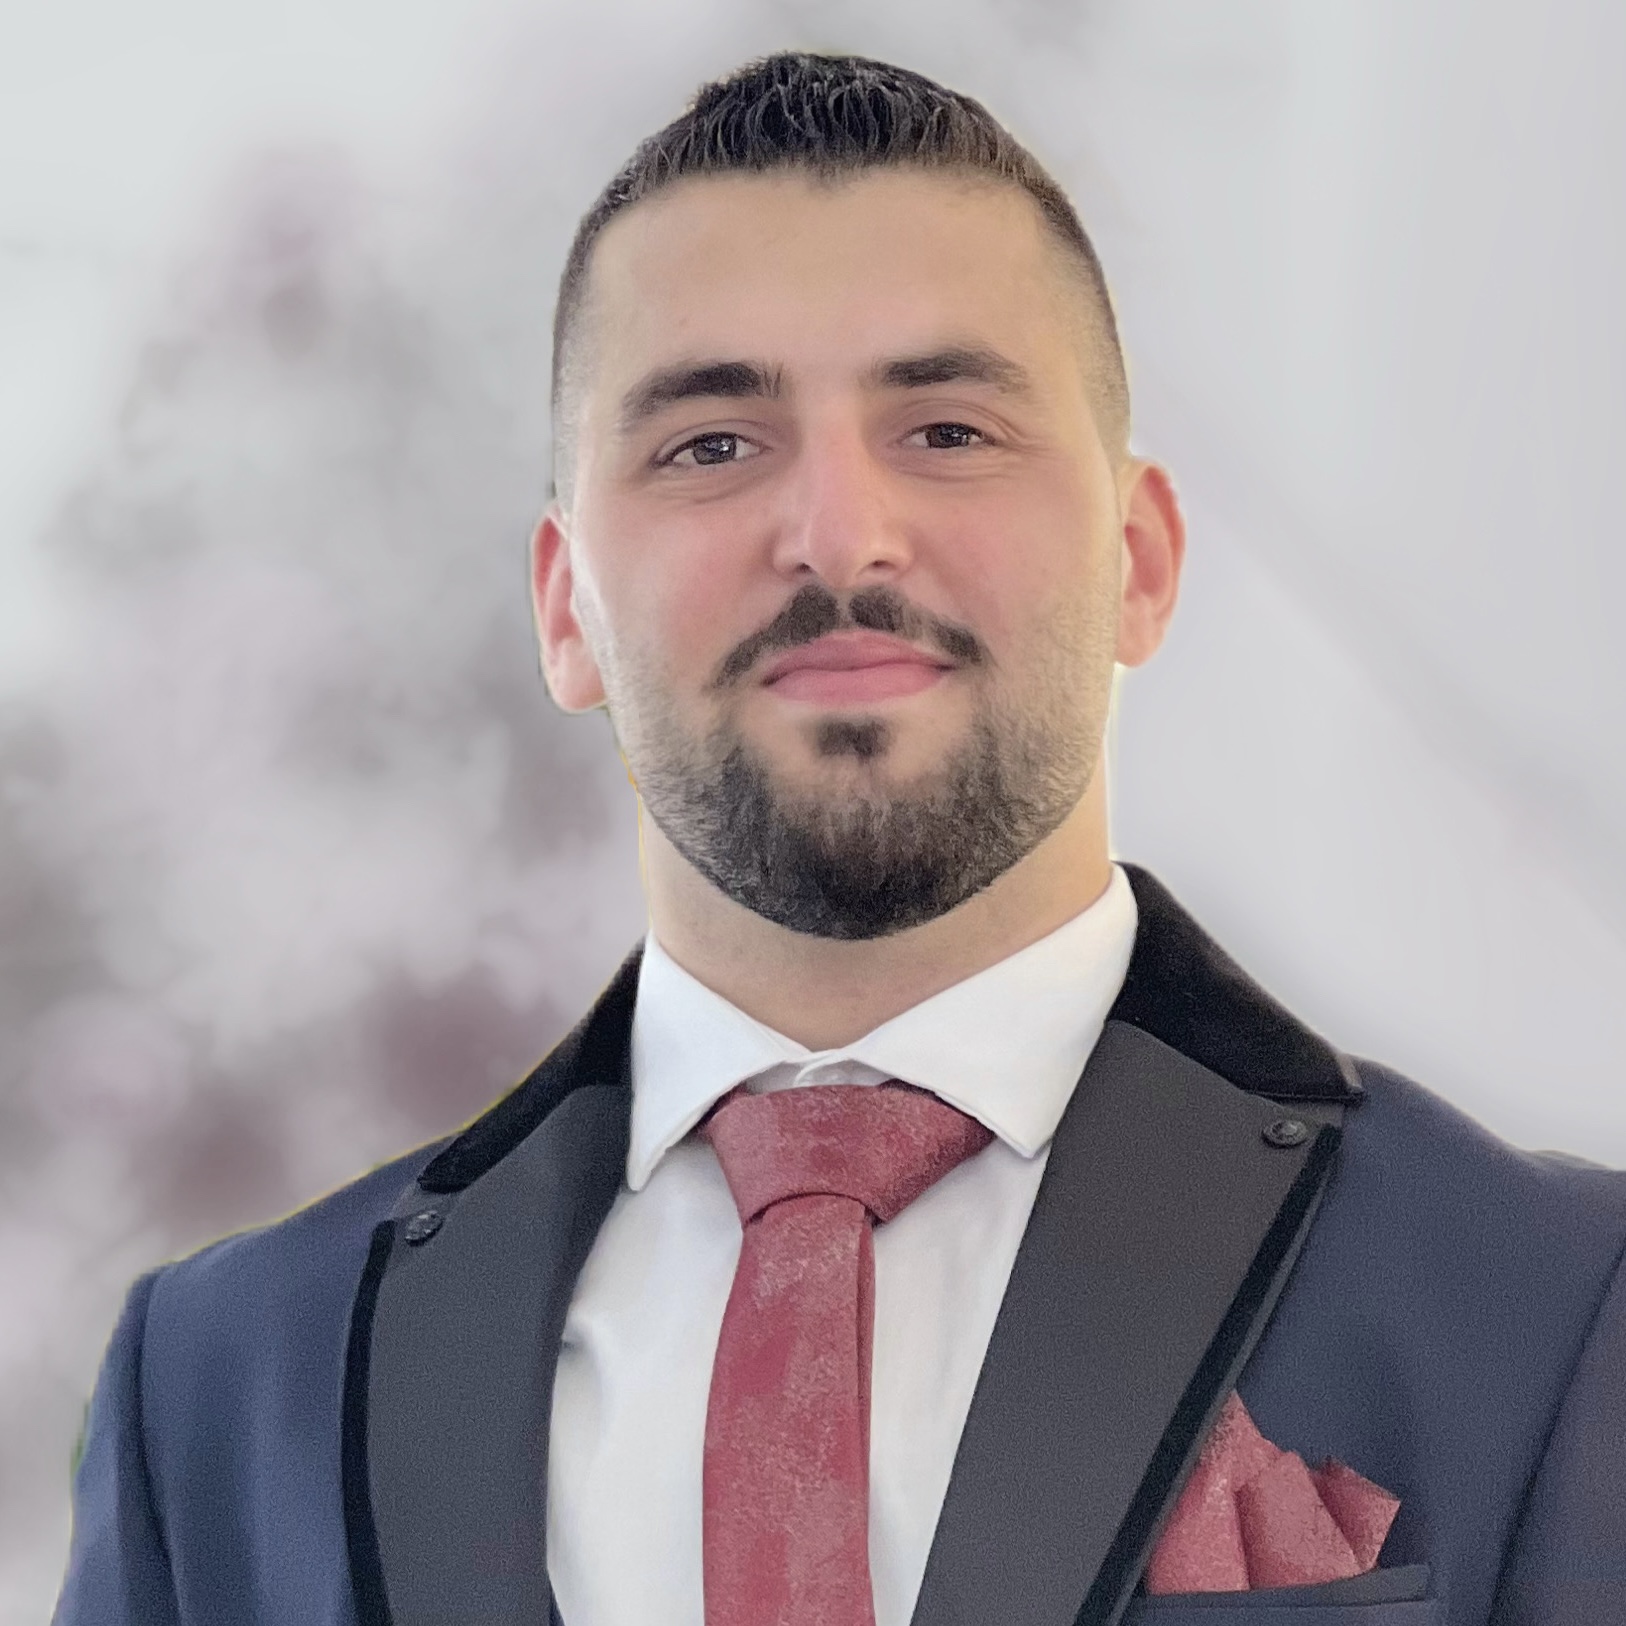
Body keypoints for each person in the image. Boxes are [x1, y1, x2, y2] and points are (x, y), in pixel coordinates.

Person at [53, 51, 1625, 1626]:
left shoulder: (1556, 1307)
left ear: (1139, 560)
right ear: (564, 606)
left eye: (944, 428)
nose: (838, 536)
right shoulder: (219, 1391)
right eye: (711, 444)